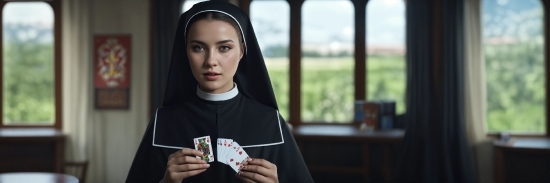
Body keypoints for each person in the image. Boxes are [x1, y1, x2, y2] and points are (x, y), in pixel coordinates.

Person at [125, 1, 313, 183]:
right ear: (185, 52)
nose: (211, 61)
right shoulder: (164, 121)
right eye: (198, 47)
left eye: (224, 48)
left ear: (241, 52)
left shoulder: (271, 121)